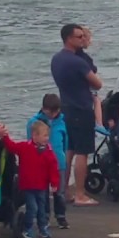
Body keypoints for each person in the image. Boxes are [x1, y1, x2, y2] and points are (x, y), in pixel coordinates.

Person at [52, 23, 103, 206]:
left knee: (69, 150)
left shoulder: (57, 59)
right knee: (83, 152)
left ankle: (64, 190)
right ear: (69, 39)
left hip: (66, 107)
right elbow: (97, 84)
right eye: (79, 37)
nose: (83, 40)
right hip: (81, 109)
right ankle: (80, 194)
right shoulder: (77, 62)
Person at [2, 122, 61, 238]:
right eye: (44, 135)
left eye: (47, 135)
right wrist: (5, 136)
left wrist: (54, 183)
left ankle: (42, 228)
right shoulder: (25, 147)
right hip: (28, 186)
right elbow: (12, 146)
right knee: (32, 208)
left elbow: (53, 168)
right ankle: (27, 228)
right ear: (34, 135)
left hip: (42, 187)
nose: (47, 138)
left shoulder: (49, 151)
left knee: (42, 209)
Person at [27, 94, 70, 229]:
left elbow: (65, 143)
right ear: (43, 108)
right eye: (49, 112)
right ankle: (44, 218)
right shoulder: (34, 122)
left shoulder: (62, 122)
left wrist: (63, 157)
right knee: (42, 193)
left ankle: (61, 216)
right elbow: (29, 142)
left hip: (58, 163)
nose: (52, 115)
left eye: (55, 112)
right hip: (41, 164)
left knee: (59, 192)